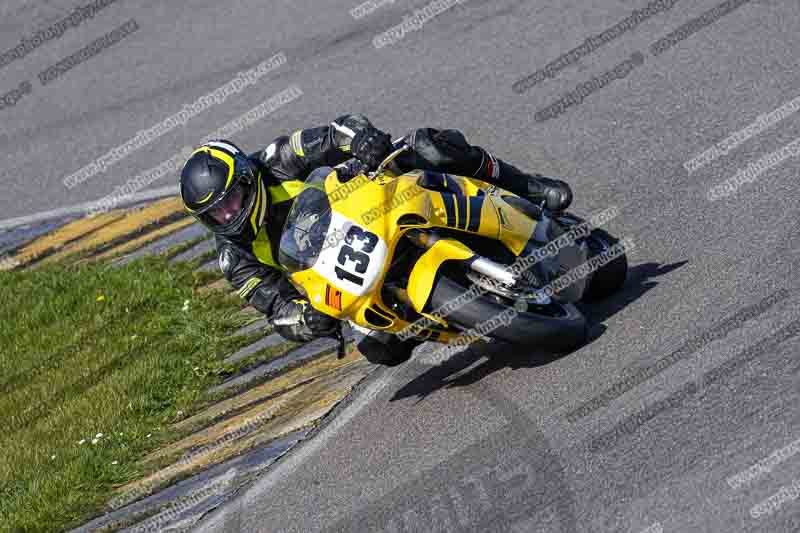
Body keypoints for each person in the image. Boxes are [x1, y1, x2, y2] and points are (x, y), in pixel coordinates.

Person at [178, 115, 572, 364]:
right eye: (217, 213)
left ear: (247, 179)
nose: (228, 215)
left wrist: (361, 140)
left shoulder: (277, 158)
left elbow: (337, 131)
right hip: (345, 273)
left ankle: (528, 187)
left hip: (372, 201)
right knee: (381, 349)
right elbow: (276, 310)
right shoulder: (235, 259)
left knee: (428, 146)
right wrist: (306, 320)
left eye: (231, 201)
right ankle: (448, 314)